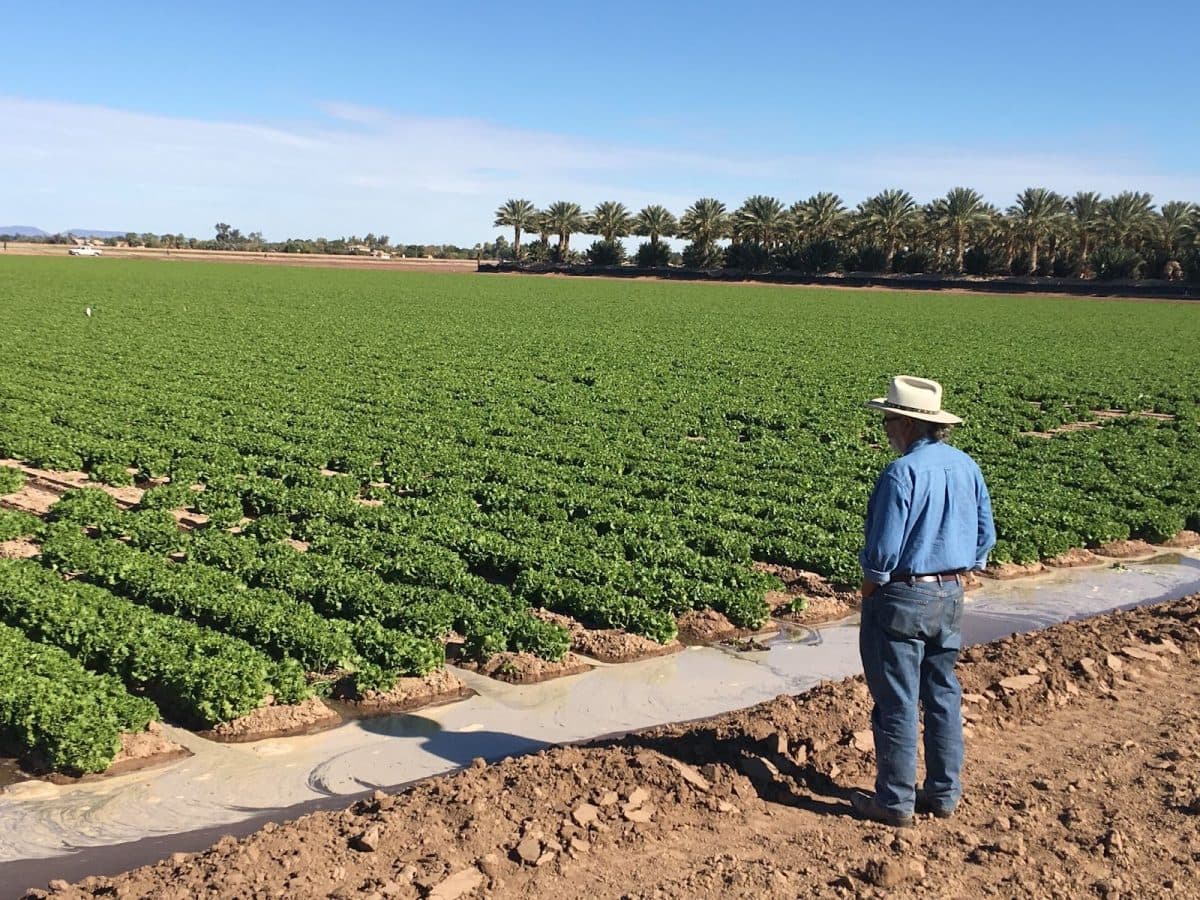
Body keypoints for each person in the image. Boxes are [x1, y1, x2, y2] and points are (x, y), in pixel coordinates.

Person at [851, 375, 996, 827]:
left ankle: (894, 804)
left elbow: (882, 554)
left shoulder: (902, 473)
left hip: (902, 596)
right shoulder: (967, 466)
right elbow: (984, 537)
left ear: (909, 425)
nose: (886, 431)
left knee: (896, 702)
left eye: (889, 421)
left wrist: (869, 592)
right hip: (951, 593)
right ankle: (944, 793)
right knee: (942, 695)